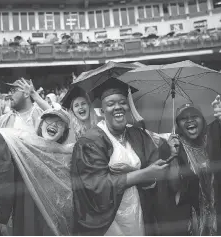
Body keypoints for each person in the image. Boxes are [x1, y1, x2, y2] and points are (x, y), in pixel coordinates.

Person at [0, 73, 73, 236]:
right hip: (23, 194)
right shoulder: (4, 122)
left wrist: (35, 96)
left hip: (54, 193)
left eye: (14, 89)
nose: (9, 93)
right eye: (9, 90)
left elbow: (64, 123)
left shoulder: (41, 115)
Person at [71, 79, 173, 236]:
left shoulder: (138, 135)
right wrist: (141, 174)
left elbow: (157, 171)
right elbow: (95, 187)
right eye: (111, 103)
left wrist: (170, 150)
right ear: (102, 110)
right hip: (108, 222)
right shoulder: (91, 141)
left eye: (123, 102)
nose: (118, 107)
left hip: (139, 212)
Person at [157, 96, 221, 235]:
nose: (190, 120)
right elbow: (173, 188)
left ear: (203, 121)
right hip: (190, 220)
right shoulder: (171, 146)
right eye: (183, 118)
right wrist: (172, 156)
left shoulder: (211, 141)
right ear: (178, 125)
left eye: (194, 116)